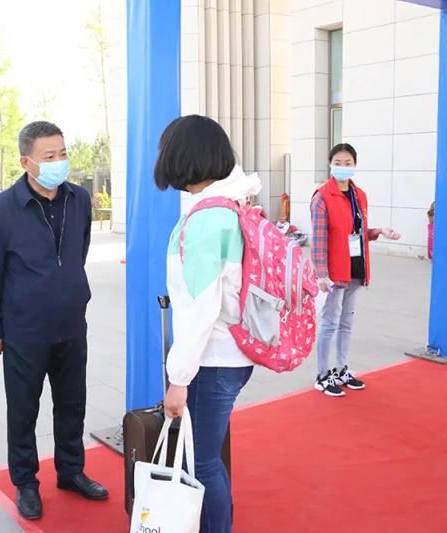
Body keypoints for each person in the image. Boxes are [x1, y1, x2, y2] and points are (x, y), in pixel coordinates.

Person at [0, 121, 108, 520]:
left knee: (72, 405)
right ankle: (26, 483)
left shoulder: (78, 199)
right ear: (26, 162)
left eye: (63, 154)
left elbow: (78, 252)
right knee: (23, 412)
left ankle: (71, 471)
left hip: (71, 327)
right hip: (25, 331)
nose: (59, 162)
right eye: (49, 156)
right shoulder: (1, 210)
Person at [158, 115, 257, 533]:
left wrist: (178, 379)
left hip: (212, 358)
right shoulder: (231, 206)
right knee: (207, 458)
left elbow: (199, 308)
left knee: (201, 463)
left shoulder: (205, 219)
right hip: (231, 352)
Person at [311, 143, 401, 397]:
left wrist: (379, 231)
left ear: (355, 165)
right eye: (337, 163)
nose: (343, 167)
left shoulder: (358, 194)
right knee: (330, 323)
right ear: (330, 164)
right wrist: (321, 273)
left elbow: (357, 232)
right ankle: (322, 375)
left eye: (348, 163)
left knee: (346, 322)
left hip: (356, 267)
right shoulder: (322, 197)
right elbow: (319, 239)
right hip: (334, 271)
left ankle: (342, 370)